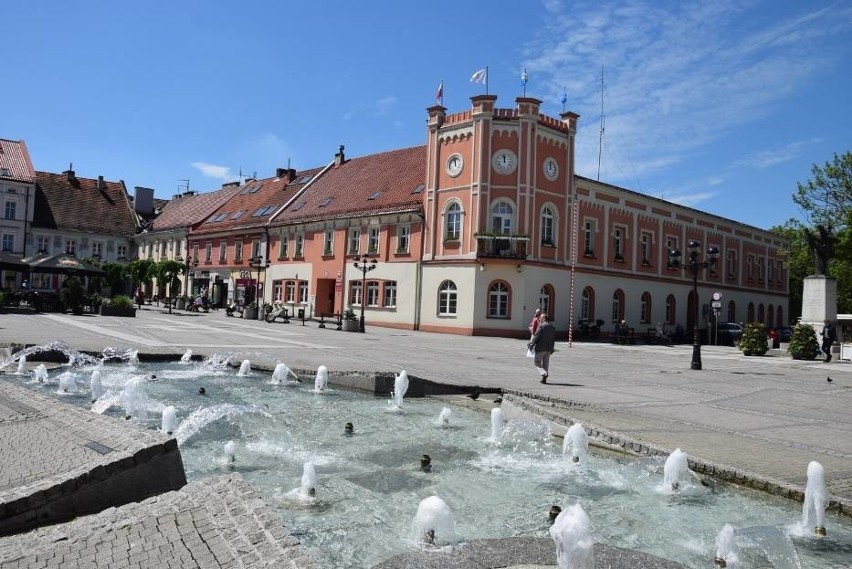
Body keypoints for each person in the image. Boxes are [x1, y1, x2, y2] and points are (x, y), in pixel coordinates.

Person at [528, 313, 556, 383]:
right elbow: (553, 338)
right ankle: (544, 379)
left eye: (541, 318)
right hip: (549, 348)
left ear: (544, 318)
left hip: (541, 348)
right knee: (545, 364)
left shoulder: (541, 326)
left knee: (537, 362)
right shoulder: (552, 326)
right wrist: (552, 348)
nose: (539, 319)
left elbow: (537, 336)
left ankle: (544, 373)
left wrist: (531, 344)